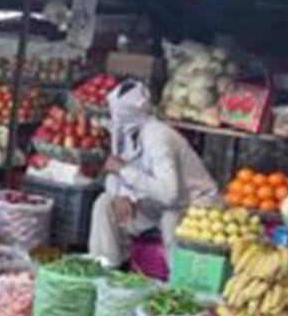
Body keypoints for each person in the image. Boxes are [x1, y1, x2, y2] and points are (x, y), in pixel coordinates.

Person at [88, 79, 218, 268]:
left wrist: (124, 171)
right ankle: (105, 269)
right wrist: (120, 193)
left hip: (192, 203)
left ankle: (179, 284)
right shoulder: (124, 131)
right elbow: (114, 172)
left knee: (170, 221)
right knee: (104, 203)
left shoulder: (158, 137)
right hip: (155, 203)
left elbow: (169, 194)